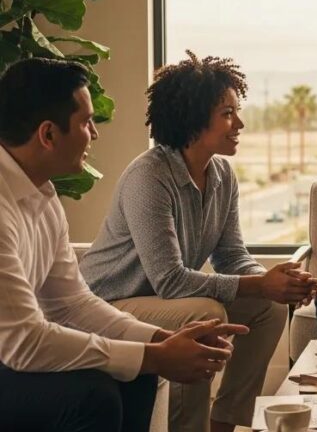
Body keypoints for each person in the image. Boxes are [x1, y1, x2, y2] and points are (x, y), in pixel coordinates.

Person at [0, 57, 248, 432]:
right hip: (9, 357)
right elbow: (23, 341)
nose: (94, 134)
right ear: (48, 135)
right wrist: (152, 355)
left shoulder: (43, 198)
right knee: (95, 395)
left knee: (137, 374)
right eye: (86, 122)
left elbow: (72, 303)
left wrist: (161, 341)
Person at [79, 51, 317, 432]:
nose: (239, 123)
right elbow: (170, 281)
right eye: (228, 113)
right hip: (109, 303)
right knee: (204, 313)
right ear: (193, 118)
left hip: (162, 301)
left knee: (269, 306)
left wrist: (276, 282)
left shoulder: (222, 174)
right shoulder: (149, 177)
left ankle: (224, 424)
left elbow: (231, 255)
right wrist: (260, 283)